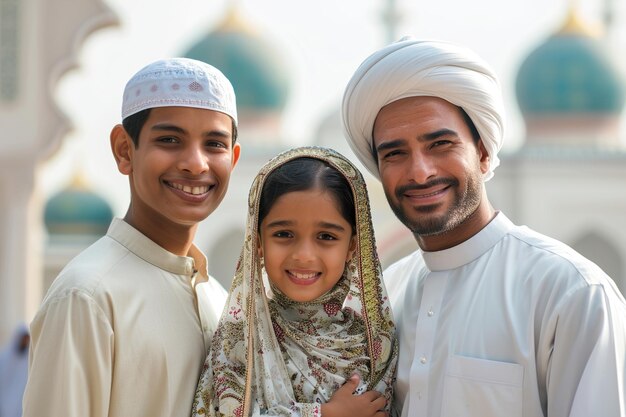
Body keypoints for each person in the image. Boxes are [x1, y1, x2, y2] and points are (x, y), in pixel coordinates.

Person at [342, 38, 626, 417]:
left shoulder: (568, 292)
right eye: (395, 153)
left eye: (440, 144)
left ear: (482, 151)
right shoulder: (383, 297)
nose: (420, 172)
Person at [22, 57, 241, 417]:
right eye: (170, 140)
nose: (195, 163)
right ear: (125, 150)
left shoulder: (218, 300)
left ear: (233, 159)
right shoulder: (88, 297)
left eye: (214, 144)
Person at [192, 146, 398, 417]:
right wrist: (324, 415)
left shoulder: (373, 342)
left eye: (326, 237)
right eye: (284, 233)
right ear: (258, 243)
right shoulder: (239, 339)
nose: (303, 255)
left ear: (352, 248)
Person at [0, 324, 29, 417]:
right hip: (6, 402)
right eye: (23, 339)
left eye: (27, 339)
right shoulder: (4, 358)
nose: (25, 342)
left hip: (22, 403)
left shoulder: (29, 359)